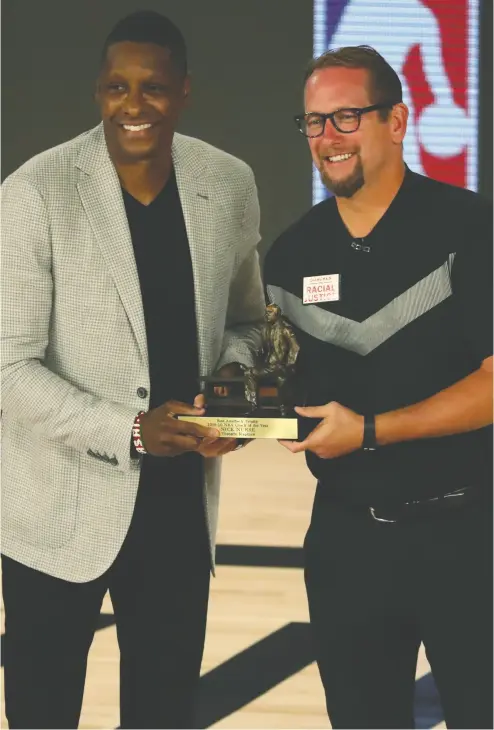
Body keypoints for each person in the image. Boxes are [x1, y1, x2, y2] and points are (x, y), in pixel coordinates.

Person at [1, 10, 264, 730]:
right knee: (42, 714)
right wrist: (131, 430)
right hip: (57, 511)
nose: (132, 105)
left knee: (164, 714)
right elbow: (9, 369)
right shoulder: (35, 193)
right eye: (117, 87)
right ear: (99, 92)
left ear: (183, 91)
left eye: (151, 88)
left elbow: (246, 323)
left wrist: (231, 394)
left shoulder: (229, 183)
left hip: (179, 513)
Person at [264, 45, 493, 729]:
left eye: (345, 118)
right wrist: (229, 425)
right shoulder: (291, 255)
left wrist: (370, 430)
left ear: (396, 121)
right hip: (346, 543)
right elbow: (284, 390)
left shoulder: (470, 227)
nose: (326, 139)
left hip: (469, 535)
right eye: (312, 123)